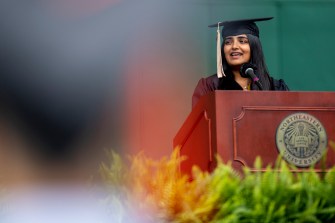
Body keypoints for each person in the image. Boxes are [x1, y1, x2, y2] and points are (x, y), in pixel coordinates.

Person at [192, 17, 289, 108]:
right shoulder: (210, 86)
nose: (234, 46)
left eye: (242, 41)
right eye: (228, 42)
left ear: (254, 46)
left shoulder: (275, 88)